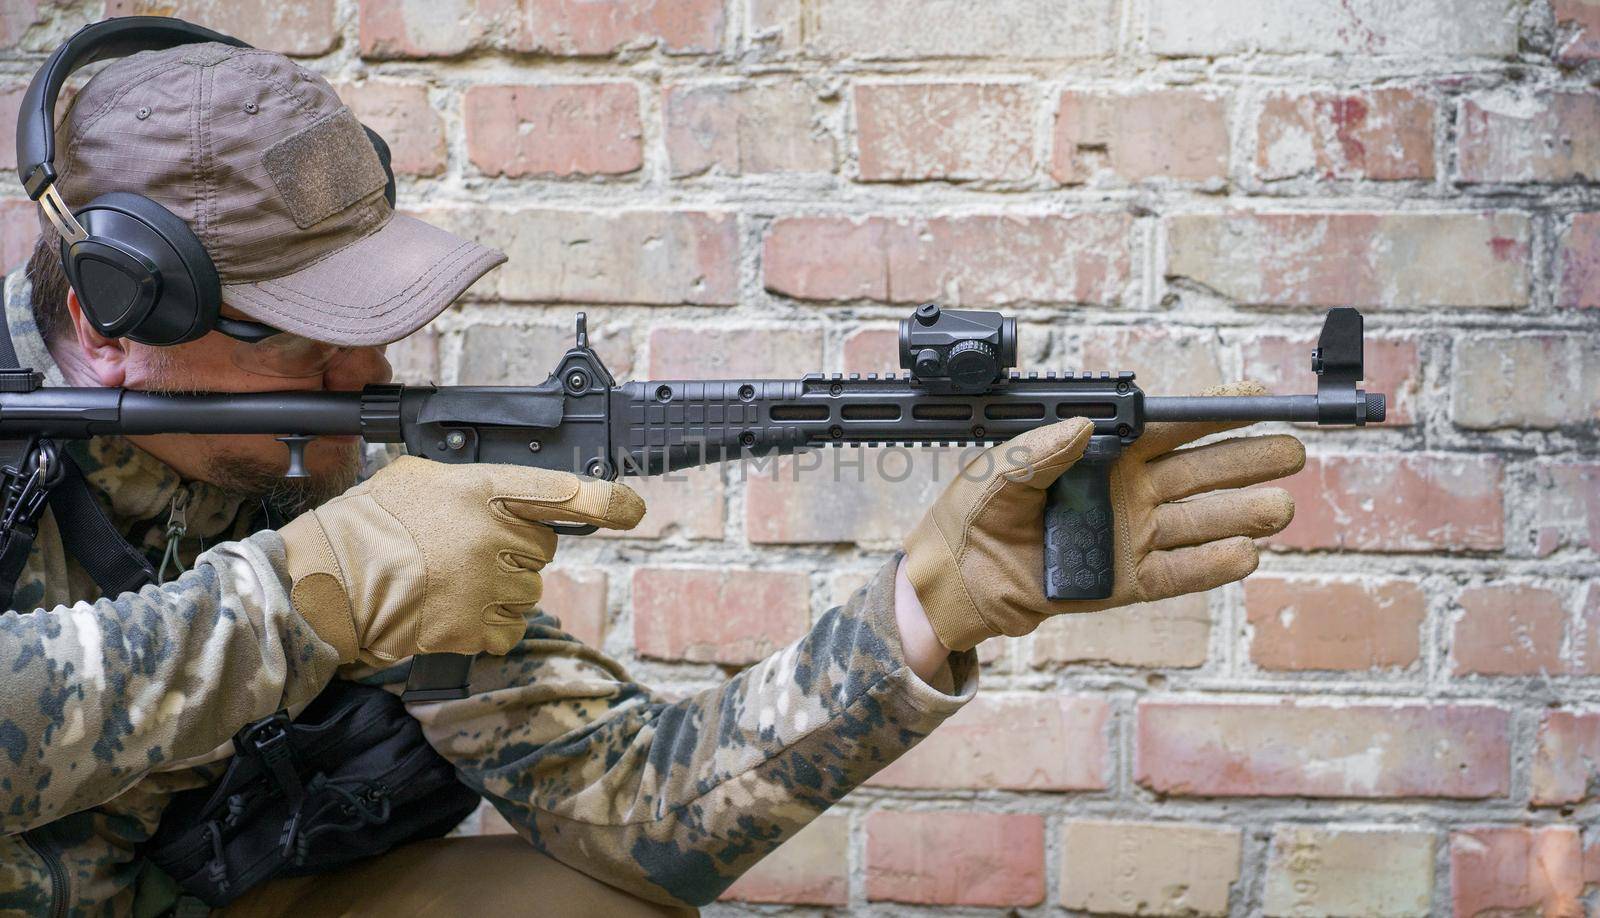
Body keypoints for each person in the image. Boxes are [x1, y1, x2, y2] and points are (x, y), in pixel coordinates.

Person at [0, 32, 1305, 918]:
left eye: (372, 313)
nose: (365, 364)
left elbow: (631, 801)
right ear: (123, 313)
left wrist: (931, 610)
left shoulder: (331, 481)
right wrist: (305, 601)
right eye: (308, 326)